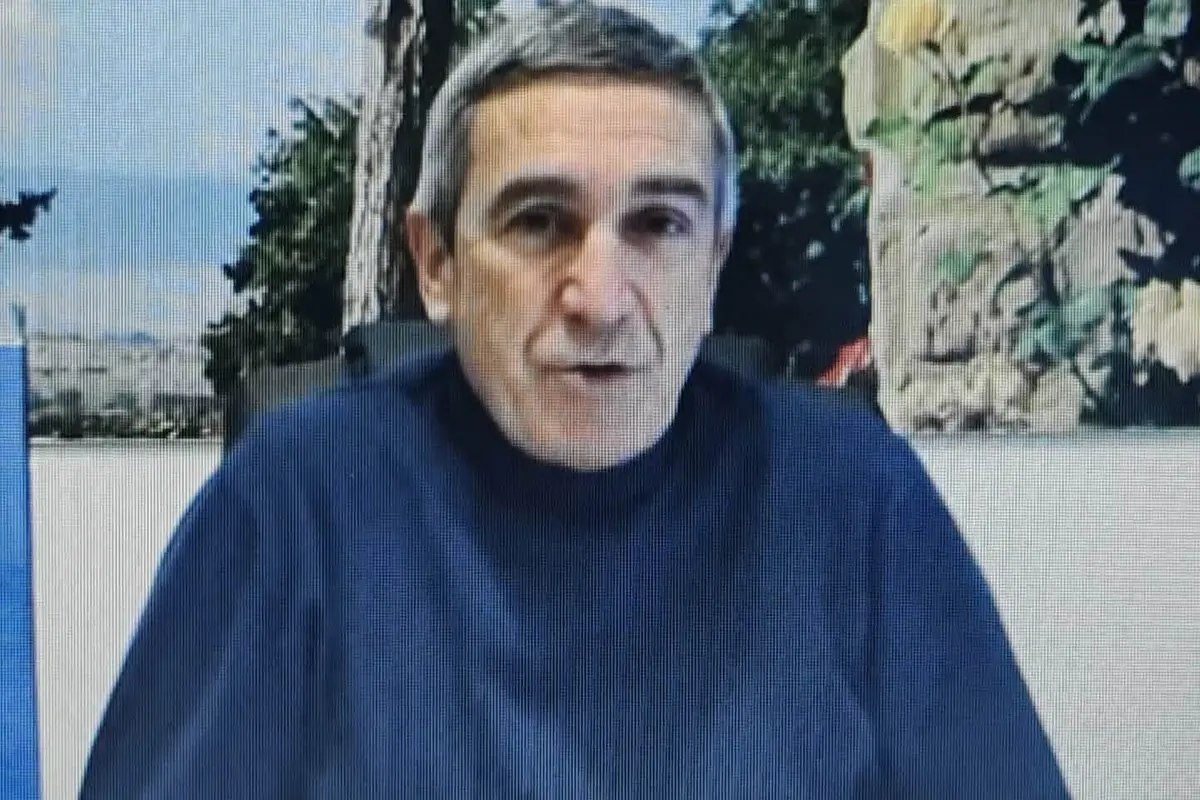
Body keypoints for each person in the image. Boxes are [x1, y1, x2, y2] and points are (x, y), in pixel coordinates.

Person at [79, 2, 1068, 797]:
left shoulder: (853, 494)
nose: (599, 298)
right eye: (540, 221)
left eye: (659, 224)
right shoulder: (297, 496)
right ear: (436, 262)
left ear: (713, 263)